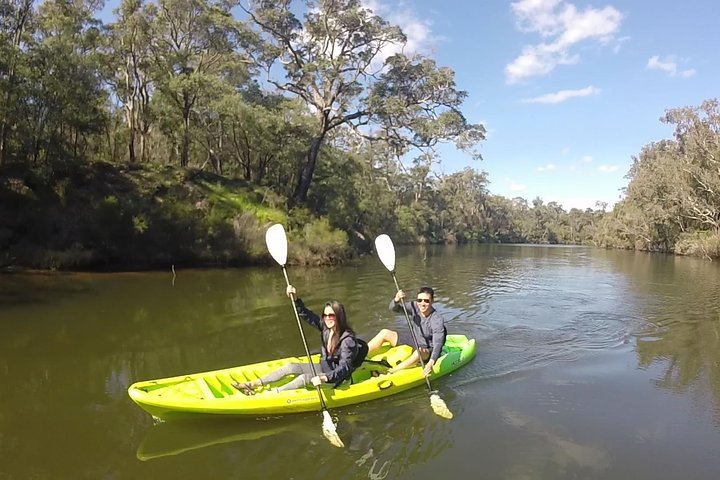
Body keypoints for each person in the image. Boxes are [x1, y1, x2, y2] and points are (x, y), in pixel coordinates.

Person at [232, 284, 367, 394]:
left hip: (336, 378)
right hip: (323, 367)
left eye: (331, 315)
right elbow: (307, 315)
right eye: (325, 315)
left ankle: (275, 393)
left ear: (339, 316)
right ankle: (253, 384)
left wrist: (326, 377)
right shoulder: (326, 328)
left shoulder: (347, 340)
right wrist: (295, 299)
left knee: (304, 378)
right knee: (291, 367)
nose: (327, 318)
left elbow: (345, 366)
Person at [366, 286, 447, 376]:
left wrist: (431, 363)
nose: (422, 304)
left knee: (419, 353)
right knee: (384, 332)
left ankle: (392, 371)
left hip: (427, 349)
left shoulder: (436, 320)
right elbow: (394, 308)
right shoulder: (414, 306)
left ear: (432, 301)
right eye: (419, 300)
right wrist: (396, 300)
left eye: (426, 301)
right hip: (414, 339)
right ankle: (360, 355)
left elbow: (438, 344)